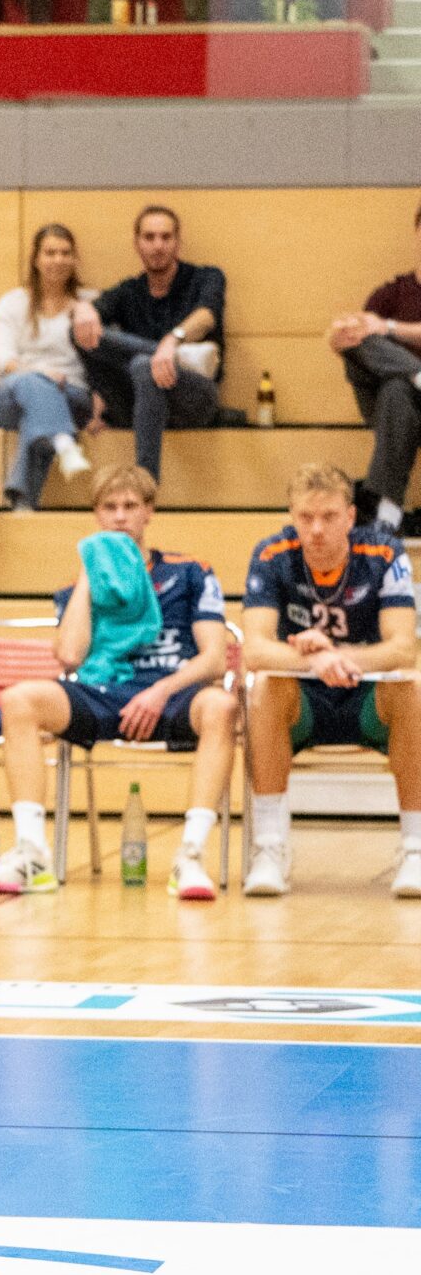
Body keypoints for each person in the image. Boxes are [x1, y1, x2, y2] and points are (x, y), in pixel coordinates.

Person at [0, 464, 235, 901]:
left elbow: (213, 658)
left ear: (149, 512)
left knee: (222, 707)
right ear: (96, 515)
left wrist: (161, 690)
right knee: (19, 700)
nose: (120, 517)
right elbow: (71, 656)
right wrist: (90, 574)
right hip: (102, 694)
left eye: (131, 506)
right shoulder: (77, 585)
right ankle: (32, 852)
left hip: (170, 694)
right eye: (109, 508)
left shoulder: (191, 572)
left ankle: (191, 856)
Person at [239, 464, 421, 898]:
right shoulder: (272, 554)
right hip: (302, 703)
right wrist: (315, 664)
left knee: (412, 686)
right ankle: (270, 848)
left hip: (367, 702)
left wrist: (335, 656)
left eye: (329, 517)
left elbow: (402, 648)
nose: (316, 529)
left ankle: (415, 848)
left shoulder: (385, 553)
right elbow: (255, 650)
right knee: (263, 685)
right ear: (292, 516)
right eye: (305, 518)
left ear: (351, 516)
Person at [73, 204, 225, 482]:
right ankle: (147, 486)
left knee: (143, 364)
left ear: (178, 243)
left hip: (194, 397)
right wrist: (84, 310)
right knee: (84, 333)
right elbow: (89, 323)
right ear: (137, 244)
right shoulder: (129, 290)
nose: (158, 245)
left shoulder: (207, 277)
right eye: (150, 237)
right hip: (139, 405)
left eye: (166, 238)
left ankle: (146, 485)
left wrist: (172, 341)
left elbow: (206, 317)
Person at [0, 222, 99, 509]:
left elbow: (106, 363)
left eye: (65, 253)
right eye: (50, 253)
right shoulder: (12, 303)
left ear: (75, 259)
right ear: (36, 259)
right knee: (34, 385)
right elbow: (1, 361)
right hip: (12, 394)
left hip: (72, 396)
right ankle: (62, 439)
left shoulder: (90, 304)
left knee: (38, 413)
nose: (58, 260)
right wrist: (39, 374)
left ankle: (24, 500)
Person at [331, 199, 421, 533]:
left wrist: (390, 328)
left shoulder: (388, 317)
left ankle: (388, 508)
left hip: (398, 405)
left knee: (396, 387)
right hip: (393, 409)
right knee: (361, 341)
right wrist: (338, 340)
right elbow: (359, 340)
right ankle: (417, 376)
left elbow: (383, 330)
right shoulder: (390, 294)